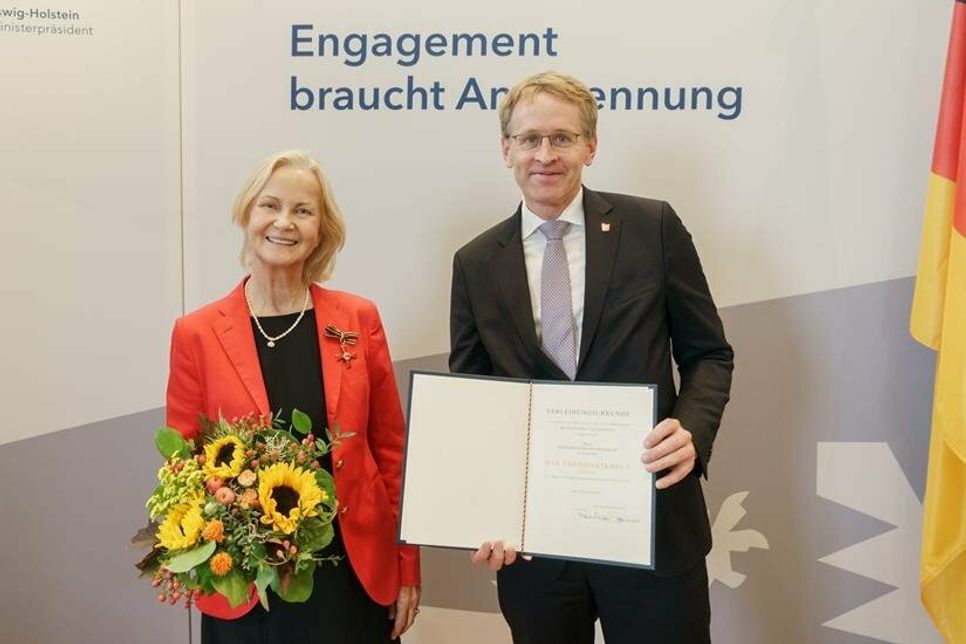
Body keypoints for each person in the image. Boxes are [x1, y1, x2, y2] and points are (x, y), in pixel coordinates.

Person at [449, 72, 734, 644]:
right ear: (506, 150)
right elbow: (476, 402)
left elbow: (709, 354)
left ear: (590, 146)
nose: (545, 155)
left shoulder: (653, 227)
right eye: (530, 139)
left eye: (562, 137)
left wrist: (694, 431)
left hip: (653, 525)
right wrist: (488, 508)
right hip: (536, 549)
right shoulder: (476, 262)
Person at [166, 150, 420, 643]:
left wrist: (406, 562)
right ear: (247, 214)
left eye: (303, 210)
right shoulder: (196, 333)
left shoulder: (358, 319)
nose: (284, 222)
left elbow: (391, 451)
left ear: (322, 228)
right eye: (270, 205)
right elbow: (184, 463)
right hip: (246, 582)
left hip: (351, 575)